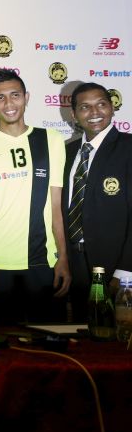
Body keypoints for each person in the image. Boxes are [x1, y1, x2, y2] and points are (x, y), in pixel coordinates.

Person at [0, 69, 69, 323]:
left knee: (48, 347)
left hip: (44, 262)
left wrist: (63, 257)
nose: (9, 104)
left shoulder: (50, 139)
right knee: (1, 348)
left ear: (27, 97)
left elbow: (55, 207)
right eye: (0, 98)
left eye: (15, 95)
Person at [62, 82, 132, 321]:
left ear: (112, 108)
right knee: (82, 329)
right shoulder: (67, 152)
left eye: (101, 104)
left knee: (115, 339)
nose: (94, 113)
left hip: (115, 264)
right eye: (85, 107)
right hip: (74, 263)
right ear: (74, 114)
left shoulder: (128, 148)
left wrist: (124, 271)